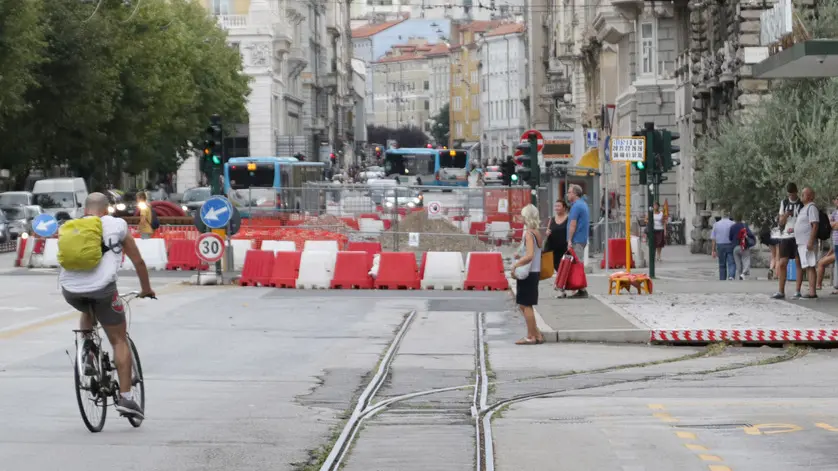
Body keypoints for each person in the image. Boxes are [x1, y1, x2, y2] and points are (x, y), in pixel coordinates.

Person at [60, 193, 156, 419]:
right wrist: (146, 289)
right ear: (106, 209)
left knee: (87, 309)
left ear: (86, 209)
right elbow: (138, 262)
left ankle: (88, 355)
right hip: (103, 290)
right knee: (119, 340)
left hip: (70, 290)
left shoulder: (71, 226)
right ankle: (126, 398)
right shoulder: (117, 225)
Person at [510, 204, 544, 345]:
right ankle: (536, 334)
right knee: (524, 305)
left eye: (524, 215)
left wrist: (516, 264)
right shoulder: (536, 233)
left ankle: (531, 336)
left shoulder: (529, 234)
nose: (522, 218)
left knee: (526, 305)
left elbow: (529, 255)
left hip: (528, 273)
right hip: (534, 272)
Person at [772, 183, 804, 299]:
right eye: (789, 194)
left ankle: (797, 291)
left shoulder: (801, 204)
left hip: (798, 236)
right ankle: (781, 291)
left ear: (796, 192)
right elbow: (780, 222)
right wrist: (786, 215)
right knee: (782, 263)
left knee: (798, 262)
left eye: (793, 193)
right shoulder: (784, 203)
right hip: (786, 236)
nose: (791, 196)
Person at [794, 187, 820, 299]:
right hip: (802, 242)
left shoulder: (812, 207)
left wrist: (810, 240)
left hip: (807, 242)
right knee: (808, 265)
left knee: (810, 265)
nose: (801, 196)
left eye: (803, 194)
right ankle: (811, 291)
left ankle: (812, 292)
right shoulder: (804, 208)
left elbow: (815, 225)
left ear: (809, 196)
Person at [566, 184, 590, 298]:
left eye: (569, 192)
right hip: (581, 239)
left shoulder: (576, 207)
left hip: (577, 239)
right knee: (577, 264)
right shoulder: (582, 204)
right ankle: (579, 288)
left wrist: (569, 240)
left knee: (577, 265)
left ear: (575, 194)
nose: (567, 194)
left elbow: (573, 224)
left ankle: (581, 289)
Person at [545, 199, 569, 297]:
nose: (557, 208)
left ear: (564, 207)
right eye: (556, 206)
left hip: (564, 247)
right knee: (557, 267)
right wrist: (547, 233)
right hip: (553, 247)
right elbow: (547, 230)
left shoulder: (568, 218)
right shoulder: (552, 218)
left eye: (559, 206)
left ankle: (562, 288)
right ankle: (561, 288)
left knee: (564, 268)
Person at [816, 194, 838, 293]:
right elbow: (830, 225)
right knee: (821, 262)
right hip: (835, 246)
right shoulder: (834, 213)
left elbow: (834, 226)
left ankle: (818, 285)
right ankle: (818, 285)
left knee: (822, 263)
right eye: (837, 199)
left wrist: (833, 224)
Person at [728, 214, 756, 280]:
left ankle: (740, 274)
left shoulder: (732, 227)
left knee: (738, 262)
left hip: (735, 247)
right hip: (744, 246)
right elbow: (750, 235)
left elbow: (730, 237)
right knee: (746, 260)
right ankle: (743, 274)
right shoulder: (744, 226)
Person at [710, 212, 736, 280]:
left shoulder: (716, 224)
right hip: (730, 245)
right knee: (731, 263)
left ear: (721, 215)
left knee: (722, 264)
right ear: (729, 215)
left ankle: (722, 279)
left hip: (720, 245)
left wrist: (713, 250)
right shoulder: (733, 223)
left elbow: (713, 238)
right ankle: (731, 276)